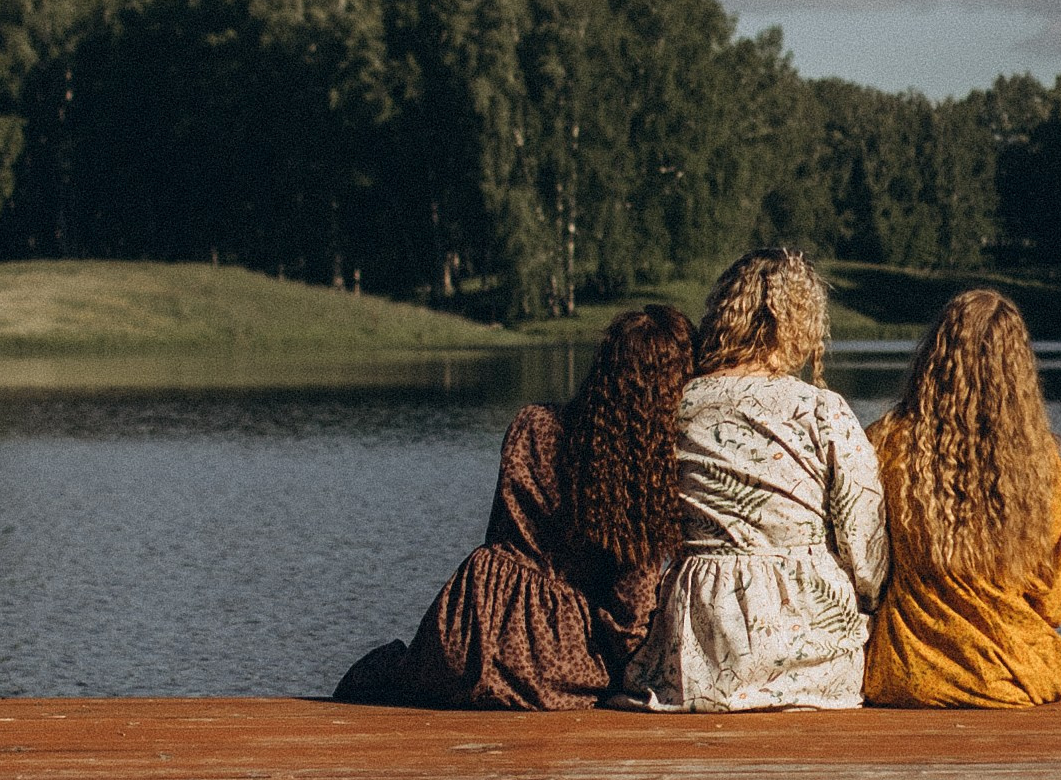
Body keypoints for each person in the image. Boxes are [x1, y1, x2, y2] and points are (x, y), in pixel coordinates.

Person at [334, 302, 692, 710]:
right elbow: (630, 614)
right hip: (555, 662)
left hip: (467, 629)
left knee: (387, 671)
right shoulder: (643, 471)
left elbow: (500, 535)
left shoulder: (532, 423)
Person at [629, 249, 885, 710]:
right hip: (807, 631)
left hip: (700, 641)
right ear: (801, 322)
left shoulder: (679, 403)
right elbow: (863, 546)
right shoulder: (822, 411)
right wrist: (869, 598)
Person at [863, 287, 1061, 706]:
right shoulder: (1039, 460)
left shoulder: (886, 443)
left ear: (933, 357)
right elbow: (1050, 601)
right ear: (1019, 371)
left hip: (907, 671)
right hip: (1009, 670)